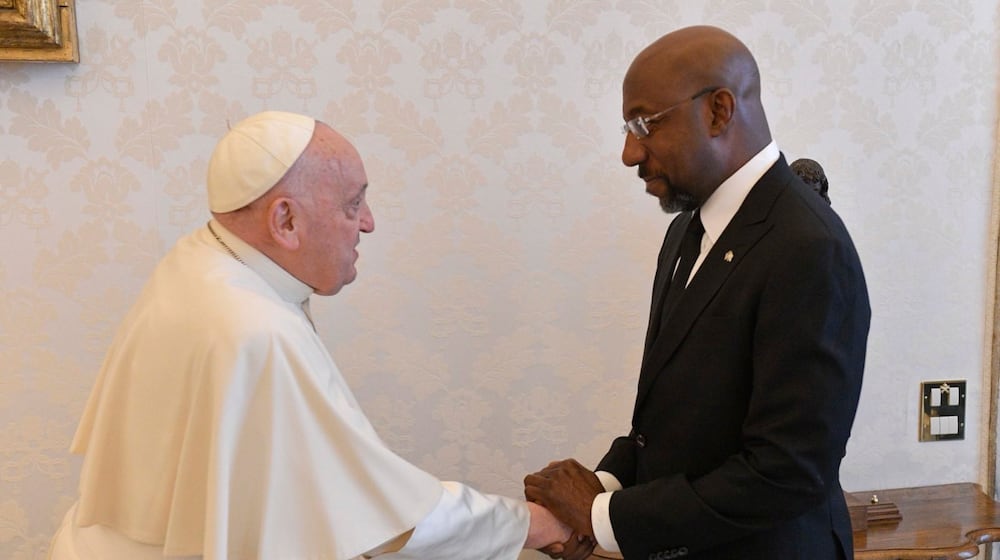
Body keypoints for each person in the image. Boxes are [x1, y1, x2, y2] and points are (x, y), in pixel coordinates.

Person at [49, 111, 572, 560]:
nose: (368, 223)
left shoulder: (199, 258)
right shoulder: (254, 328)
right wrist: (537, 523)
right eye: (352, 204)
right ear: (285, 220)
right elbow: (379, 512)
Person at [524, 26, 870, 560]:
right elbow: (673, 424)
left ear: (718, 111)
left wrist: (599, 515)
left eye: (644, 124)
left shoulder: (808, 246)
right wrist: (604, 484)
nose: (628, 152)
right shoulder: (686, 232)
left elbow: (786, 472)